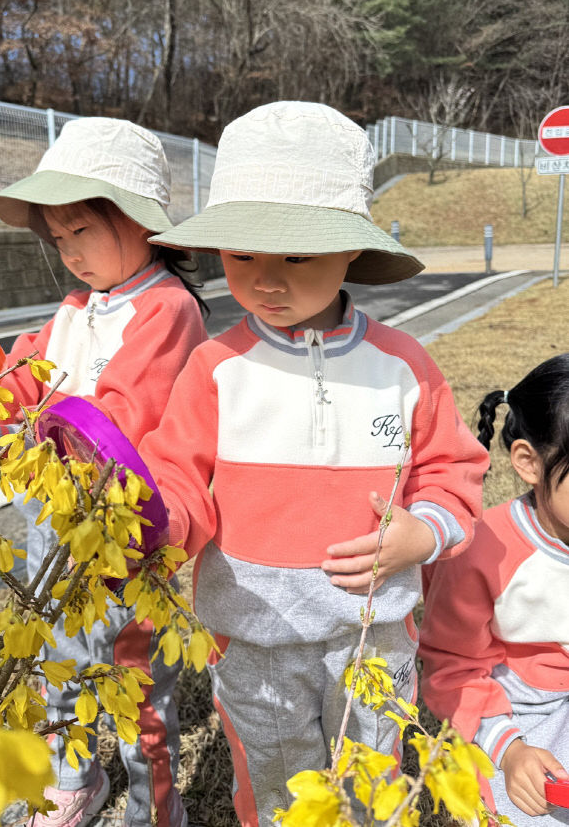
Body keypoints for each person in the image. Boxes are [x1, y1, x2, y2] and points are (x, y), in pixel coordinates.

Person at [136, 100, 488, 827]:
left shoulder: (403, 367)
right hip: (252, 631)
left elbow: (453, 471)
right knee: (272, 778)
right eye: (243, 255)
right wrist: (156, 520)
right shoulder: (216, 368)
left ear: (350, 249)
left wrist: (422, 533)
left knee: (368, 773)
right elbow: (177, 477)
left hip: (371, 633)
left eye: (296, 255)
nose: (267, 278)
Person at [0, 117, 208, 827]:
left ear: (140, 219)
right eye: (58, 238)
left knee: (135, 676)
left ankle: (155, 802)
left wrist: (13, 435)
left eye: (81, 230)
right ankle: (73, 777)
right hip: (50, 518)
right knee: (55, 653)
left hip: (123, 537)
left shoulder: (165, 311)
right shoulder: (76, 309)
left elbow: (111, 421)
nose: (69, 252)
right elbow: (24, 379)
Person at [419, 354, 569, 826]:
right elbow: (452, 668)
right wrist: (510, 751)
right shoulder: (483, 550)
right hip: (521, 707)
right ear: (528, 462)